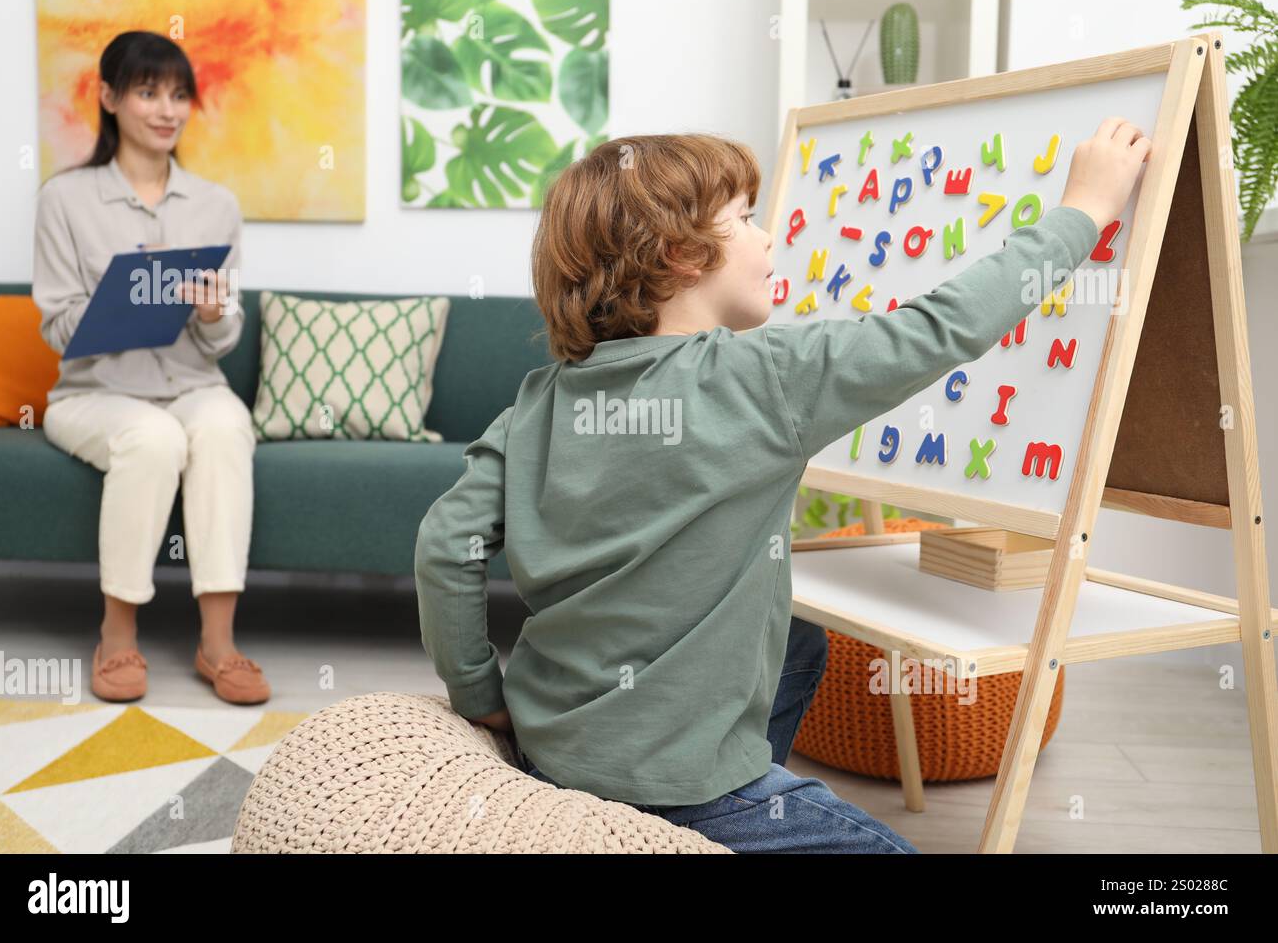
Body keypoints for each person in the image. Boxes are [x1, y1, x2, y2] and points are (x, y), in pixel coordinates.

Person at [414, 119, 1149, 851]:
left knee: (800, 636)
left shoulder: (537, 401)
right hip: (687, 789)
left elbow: (448, 547)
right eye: (742, 220)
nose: (768, 237)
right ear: (680, 256)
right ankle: (721, 816)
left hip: (553, 750)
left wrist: (480, 697)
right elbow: (941, 329)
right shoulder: (765, 378)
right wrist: (1083, 210)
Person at [32, 31, 269, 705]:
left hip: (192, 384)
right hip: (94, 395)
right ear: (108, 98)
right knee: (153, 438)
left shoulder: (215, 205)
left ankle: (217, 643)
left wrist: (213, 311)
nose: (167, 110)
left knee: (225, 425)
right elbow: (56, 329)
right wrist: (125, 298)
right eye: (147, 92)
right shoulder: (65, 200)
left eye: (178, 95)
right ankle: (117, 635)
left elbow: (225, 339)